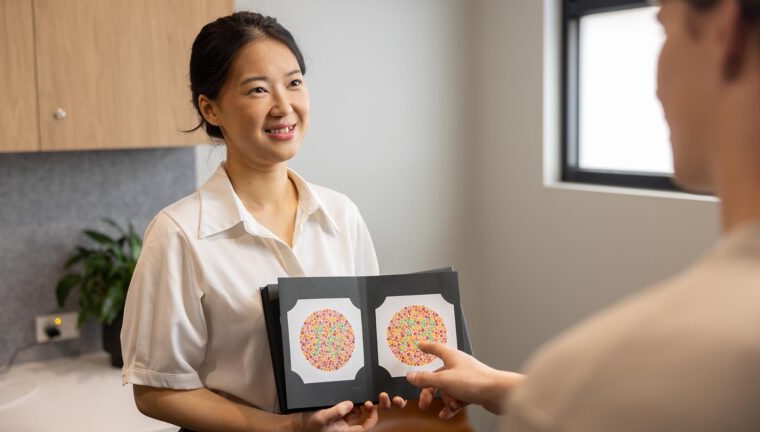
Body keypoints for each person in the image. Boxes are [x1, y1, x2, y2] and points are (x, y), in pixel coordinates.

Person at [407, 0, 760, 430]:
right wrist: (507, 388)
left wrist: (551, 397)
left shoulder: (585, 381)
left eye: (664, 30)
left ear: (725, 27)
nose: (654, 87)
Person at [120, 11, 405, 432]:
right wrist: (285, 430)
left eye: (294, 83)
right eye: (257, 89)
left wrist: (363, 399)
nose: (284, 106)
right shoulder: (178, 234)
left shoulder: (342, 214)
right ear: (210, 108)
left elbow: (361, 351)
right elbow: (155, 390)